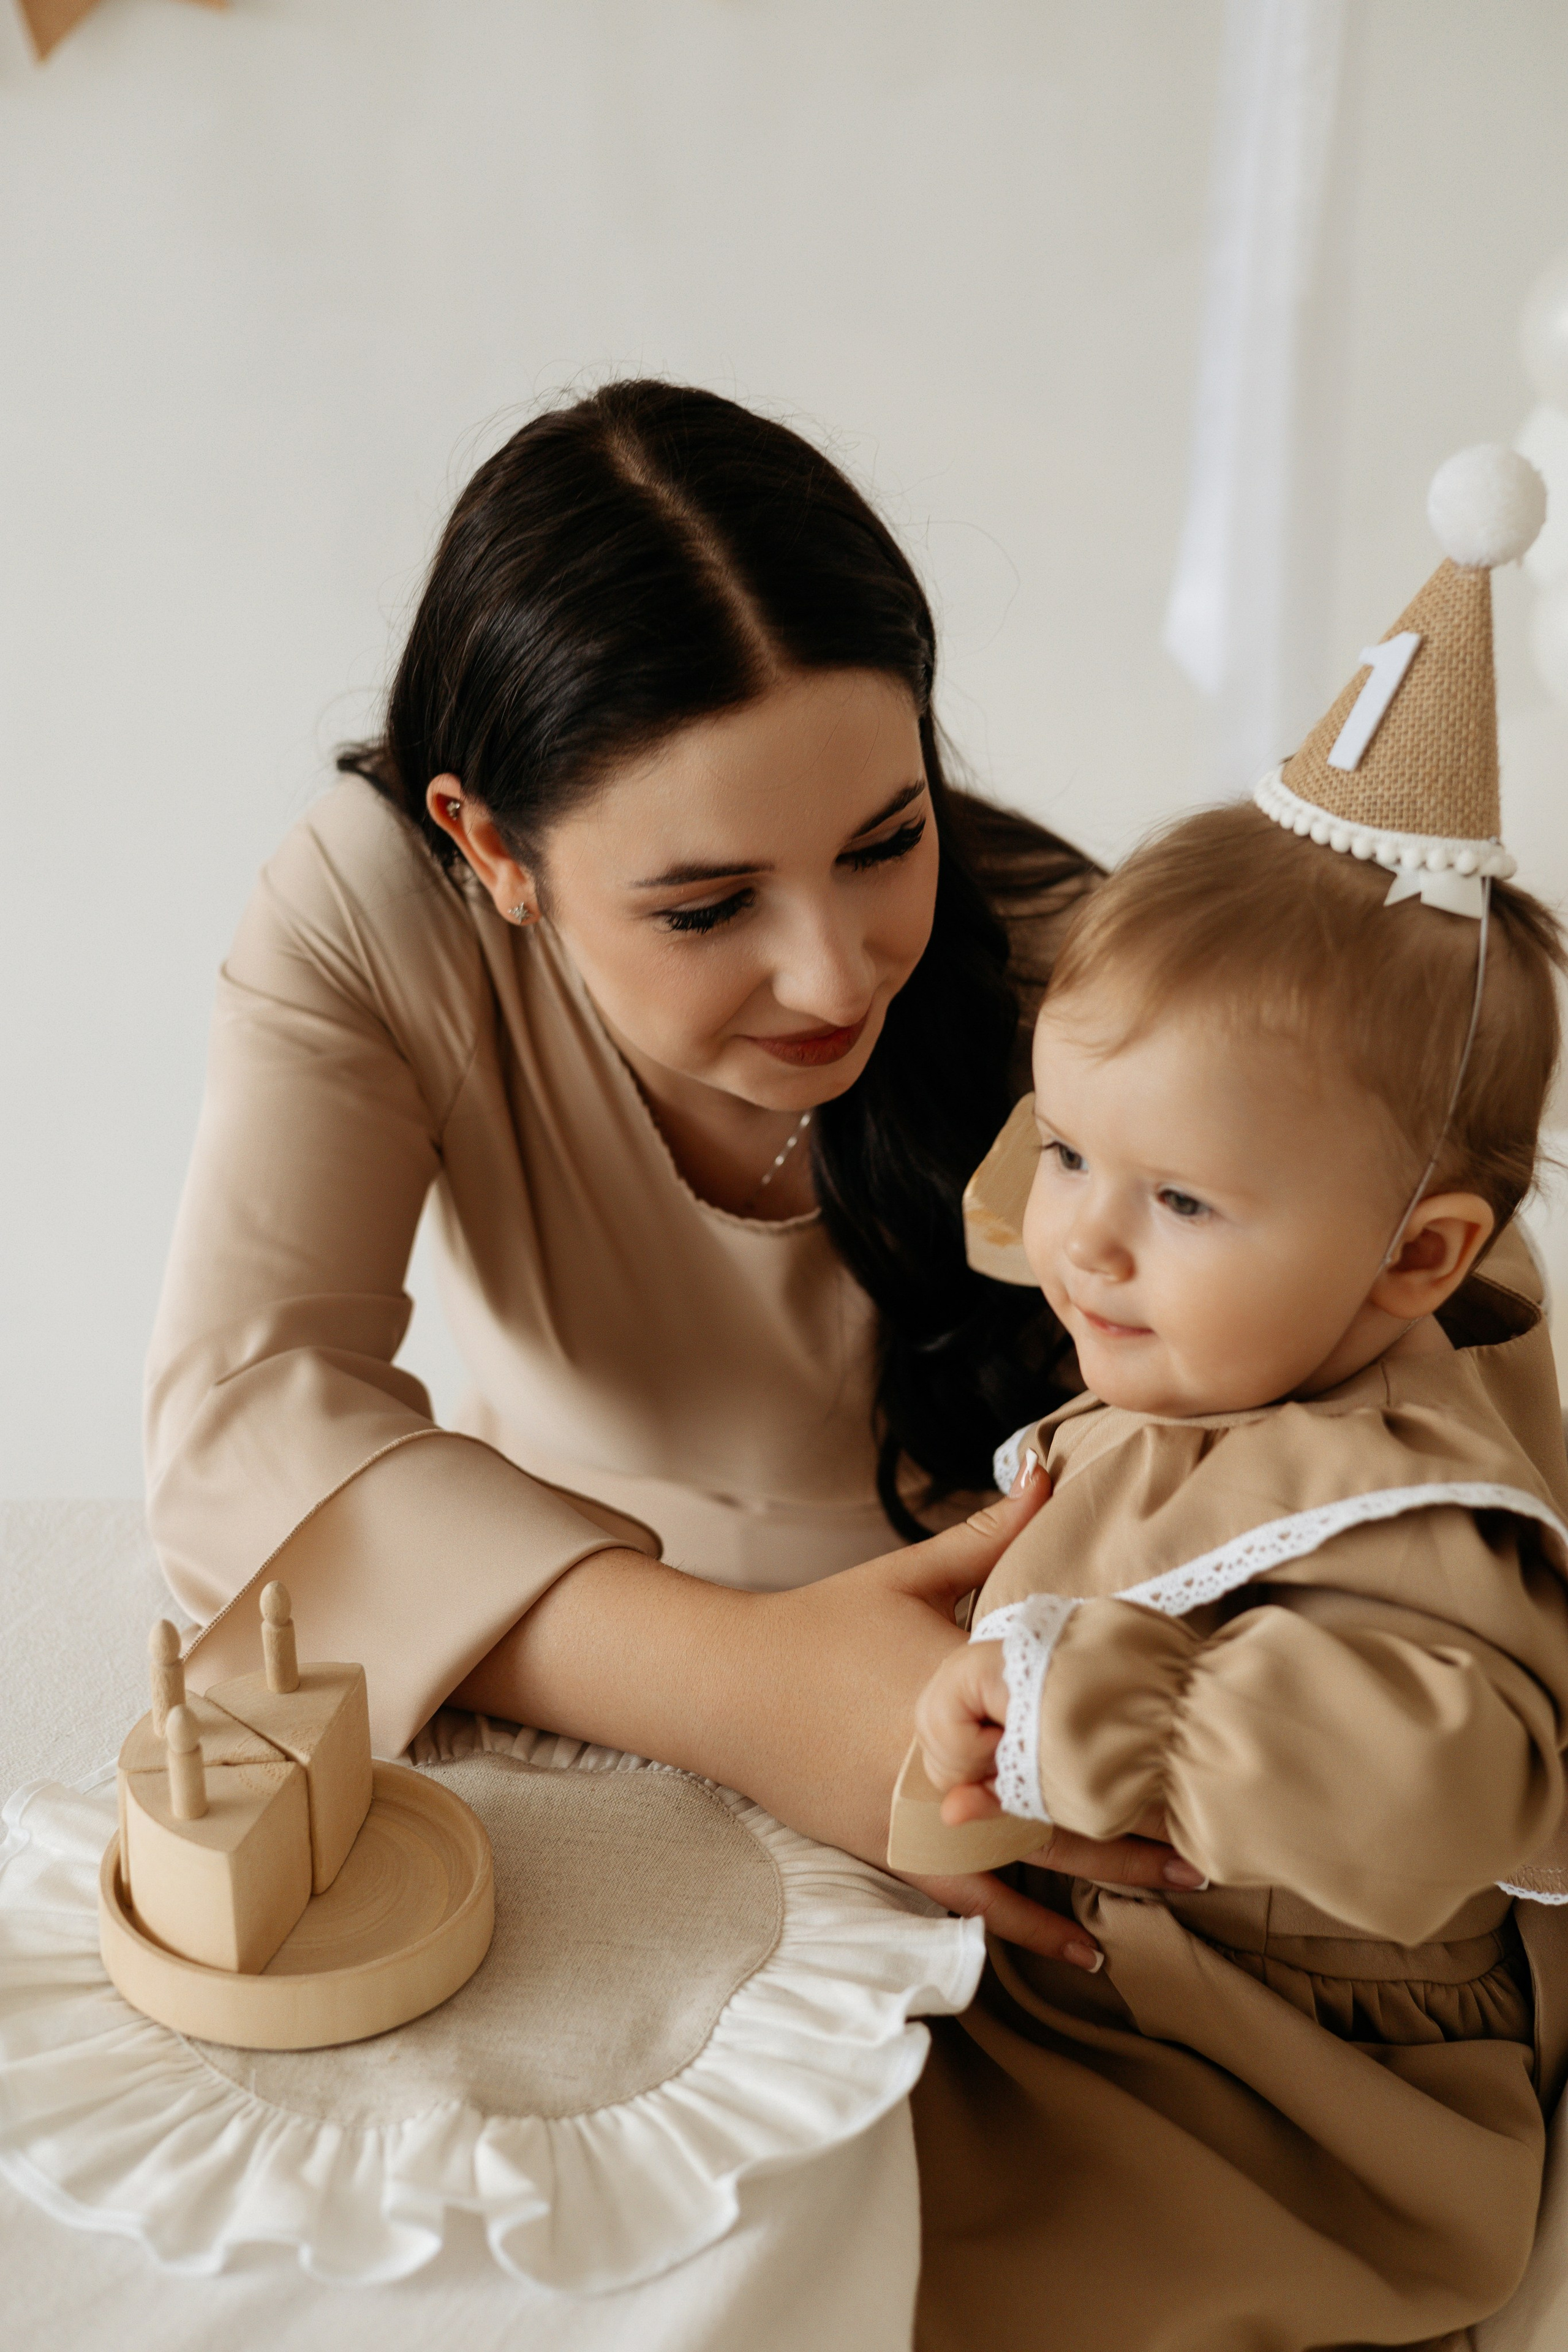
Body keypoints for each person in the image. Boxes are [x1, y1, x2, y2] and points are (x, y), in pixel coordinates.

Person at [146, 380, 1194, 1997]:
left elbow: (1395, 1399)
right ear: (491, 849)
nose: (836, 973)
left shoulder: (1085, 970)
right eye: (708, 908)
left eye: (885, 839)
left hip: (993, 1736)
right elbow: (238, 1431)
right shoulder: (378, 915)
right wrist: (751, 1692)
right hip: (586, 1713)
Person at [897, 449, 1568, 2350]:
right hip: (1111, 1984)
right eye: (1078, 1154)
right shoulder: (1193, 1383)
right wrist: (965, 1726)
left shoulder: (1415, 1494)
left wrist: (1083, 1698)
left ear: (1417, 1262)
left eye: (1180, 1201)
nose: (1087, 1242)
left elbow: (1435, 1777)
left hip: (1297, 2094)